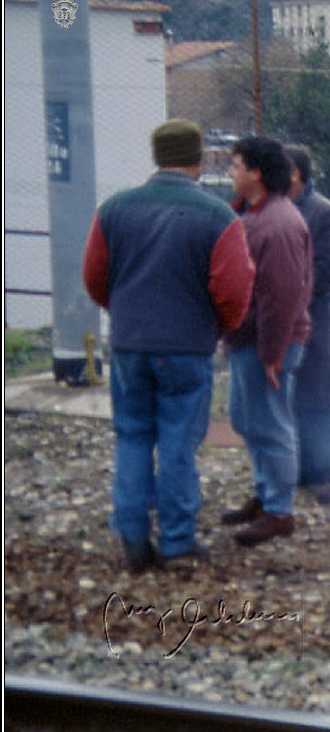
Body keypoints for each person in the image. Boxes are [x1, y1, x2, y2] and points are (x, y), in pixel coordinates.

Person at [82, 119, 255, 572]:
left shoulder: (114, 209)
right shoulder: (219, 216)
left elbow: (94, 277)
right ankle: (178, 542)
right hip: (186, 348)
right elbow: (234, 289)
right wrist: (219, 327)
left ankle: (134, 540)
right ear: (198, 160)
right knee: (178, 444)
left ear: (157, 156)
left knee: (133, 437)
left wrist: (122, 314)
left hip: (129, 344)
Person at [219, 136, 314, 546]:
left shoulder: (278, 225)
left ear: (256, 173)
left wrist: (272, 354)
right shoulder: (248, 214)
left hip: (267, 344)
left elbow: (283, 296)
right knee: (246, 418)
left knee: (271, 425)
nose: (230, 173)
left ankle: (279, 510)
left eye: (236, 165)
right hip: (248, 341)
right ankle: (264, 494)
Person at [284, 145, 330, 503]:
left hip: (316, 318)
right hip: (288, 319)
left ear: (297, 174)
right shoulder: (277, 210)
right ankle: (301, 467)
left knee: (321, 393)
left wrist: (293, 295)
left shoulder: (323, 213)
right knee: (292, 394)